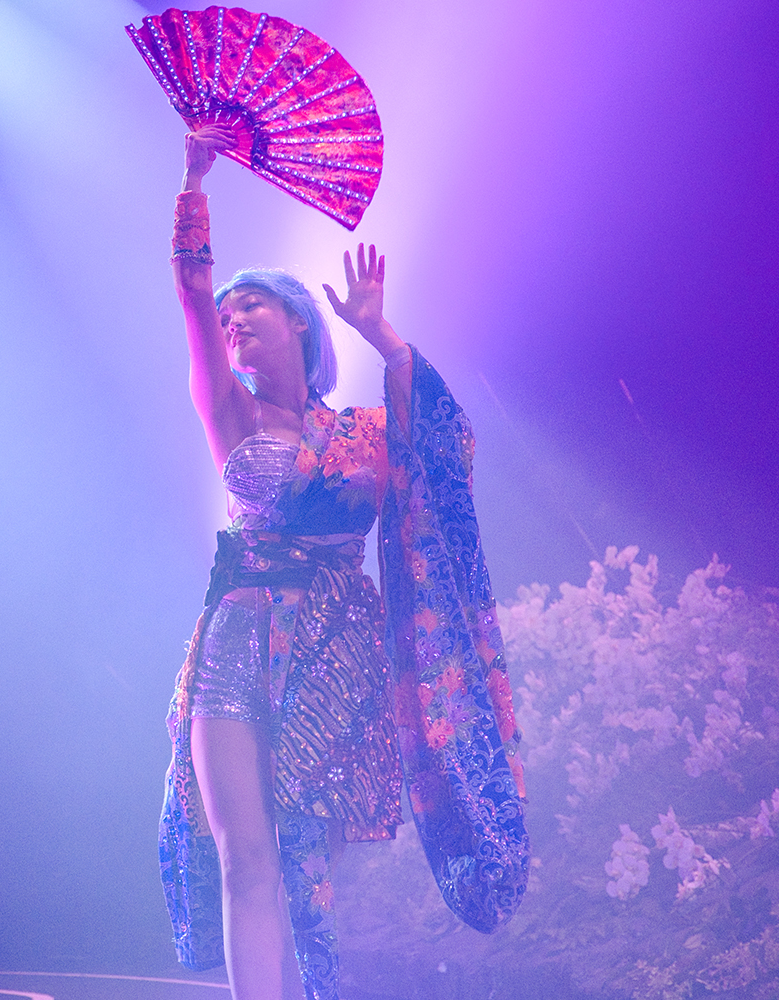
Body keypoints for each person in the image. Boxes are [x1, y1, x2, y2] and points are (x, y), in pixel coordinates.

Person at [158, 127, 528, 1000]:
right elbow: (188, 285)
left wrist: (385, 336)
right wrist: (193, 179)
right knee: (245, 860)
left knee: (306, 865)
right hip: (238, 639)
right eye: (225, 317)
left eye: (250, 306)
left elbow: (440, 461)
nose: (231, 320)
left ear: (298, 320)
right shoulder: (230, 415)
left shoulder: (364, 432)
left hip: (336, 652)